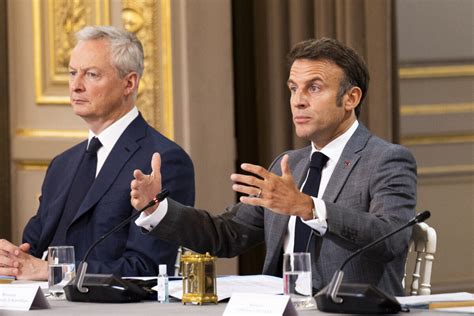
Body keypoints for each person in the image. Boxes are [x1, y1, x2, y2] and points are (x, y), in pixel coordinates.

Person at [130, 38, 417, 296]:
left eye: (314, 88)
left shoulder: (386, 160)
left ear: (351, 98)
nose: (298, 101)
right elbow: (227, 235)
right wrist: (157, 208)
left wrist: (309, 207)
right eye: (293, 88)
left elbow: (391, 238)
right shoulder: (290, 164)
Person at [0, 26, 195, 280]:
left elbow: (147, 269)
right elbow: (34, 250)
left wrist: (56, 272)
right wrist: (13, 259)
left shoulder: (164, 160)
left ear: (129, 83)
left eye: (91, 74)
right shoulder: (62, 164)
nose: (76, 86)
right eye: (72, 73)